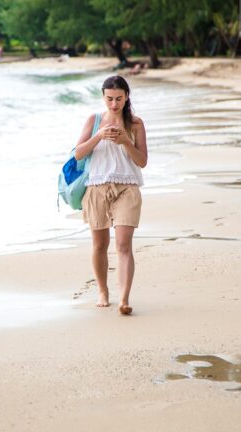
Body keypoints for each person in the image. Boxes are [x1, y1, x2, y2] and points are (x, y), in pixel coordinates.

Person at [74, 75, 147, 315]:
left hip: (127, 187)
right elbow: (78, 154)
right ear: (103, 97)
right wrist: (98, 136)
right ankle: (103, 291)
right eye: (109, 99)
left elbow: (142, 161)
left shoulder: (136, 124)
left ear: (127, 97)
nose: (114, 104)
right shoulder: (94, 120)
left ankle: (124, 299)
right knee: (99, 244)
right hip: (96, 187)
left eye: (118, 99)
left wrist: (126, 141)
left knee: (124, 244)